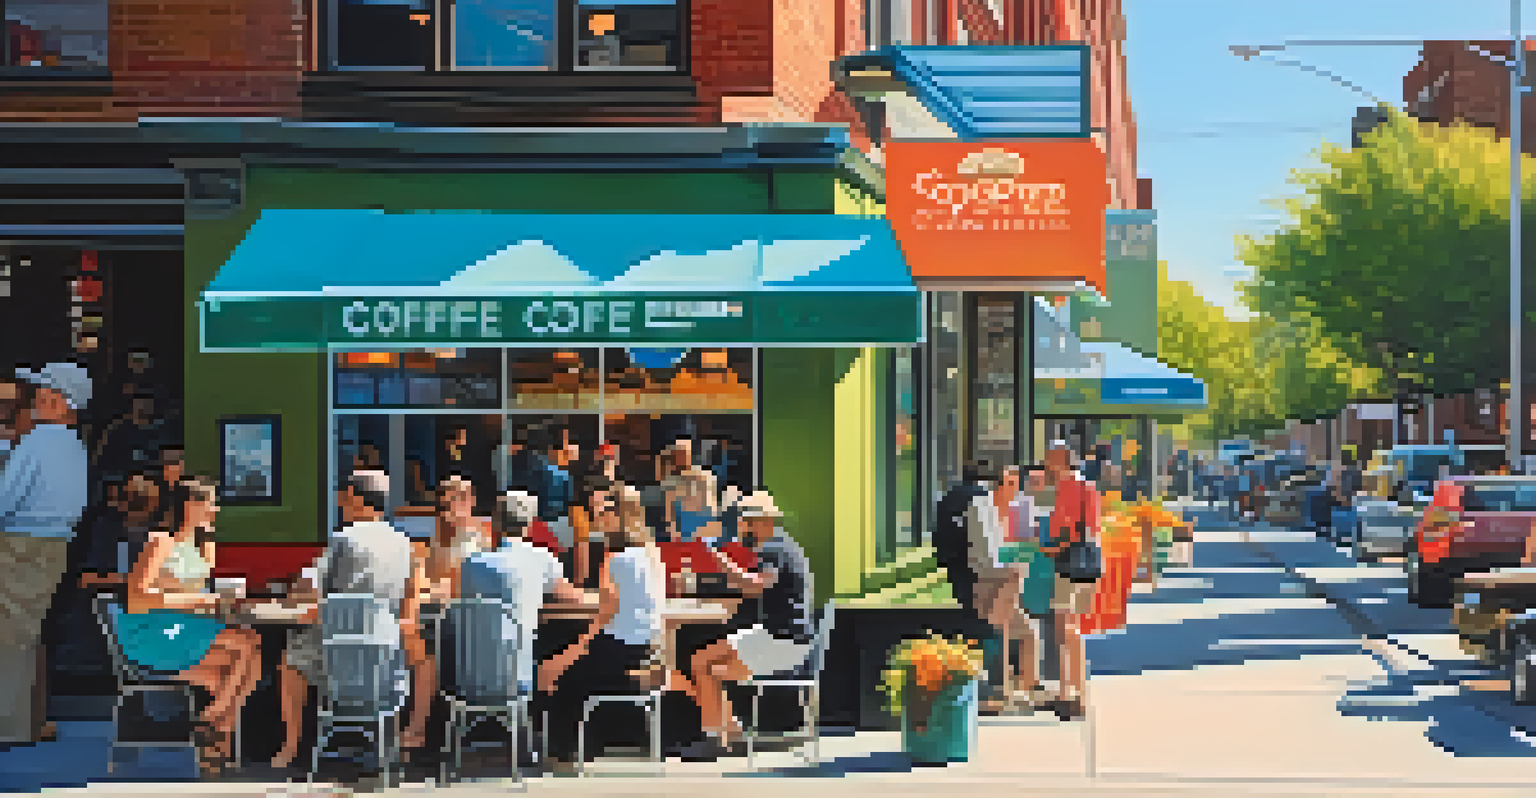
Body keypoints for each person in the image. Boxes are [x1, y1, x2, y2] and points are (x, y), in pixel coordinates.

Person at [118, 478, 262, 773]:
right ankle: (212, 724)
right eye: (209, 502)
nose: (215, 509)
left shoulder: (201, 546)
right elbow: (136, 598)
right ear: (189, 505)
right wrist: (199, 601)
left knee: (242, 664)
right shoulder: (161, 542)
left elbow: (202, 590)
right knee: (245, 644)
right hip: (151, 634)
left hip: (182, 629)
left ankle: (212, 742)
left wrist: (214, 600)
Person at [271, 470, 414, 769]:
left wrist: (294, 590)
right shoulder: (404, 543)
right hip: (385, 663)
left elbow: (314, 591)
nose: (340, 502)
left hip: (341, 657)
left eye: (344, 496)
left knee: (290, 660)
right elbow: (409, 597)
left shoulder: (342, 539)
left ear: (358, 499)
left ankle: (290, 747)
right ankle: (391, 746)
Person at [538, 483, 667, 773]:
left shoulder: (614, 559)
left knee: (554, 674)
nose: (599, 517)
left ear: (619, 514)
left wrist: (581, 644)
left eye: (604, 510)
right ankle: (579, 747)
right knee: (565, 668)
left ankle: (559, 755)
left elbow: (606, 613)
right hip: (648, 648)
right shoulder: (652, 554)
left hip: (617, 648)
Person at [683, 491, 815, 761]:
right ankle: (731, 735)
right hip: (788, 638)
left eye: (745, 520)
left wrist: (717, 558)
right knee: (703, 664)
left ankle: (720, 738)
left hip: (782, 641)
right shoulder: (783, 544)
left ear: (759, 521)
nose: (742, 525)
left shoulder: (773, 548)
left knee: (704, 667)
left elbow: (756, 586)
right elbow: (756, 585)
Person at [0, 363, 91, 746]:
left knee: (10, 637)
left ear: (61, 401)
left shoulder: (37, 442)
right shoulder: (74, 446)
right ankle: (31, 721)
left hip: (21, 543)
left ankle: (11, 727)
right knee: (29, 635)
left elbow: (6, 498)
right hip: (54, 546)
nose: (37, 394)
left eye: (45, 390)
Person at [459, 490, 595, 698]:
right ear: (530, 525)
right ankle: (548, 722)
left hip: (467, 679)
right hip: (518, 678)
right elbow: (576, 599)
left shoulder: (471, 564)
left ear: (495, 523)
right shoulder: (541, 559)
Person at [400, 474, 492, 751]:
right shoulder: (439, 535)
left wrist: (438, 586)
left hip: (470, 621)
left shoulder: (481, 534)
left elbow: (472, 578)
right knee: (412, 643)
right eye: (445, 504)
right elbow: (427, 576)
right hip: (441, 614)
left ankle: (416, 729)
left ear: (470, 501)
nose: (450, 509)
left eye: (456, 501)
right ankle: (407, 727)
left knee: (424, 654)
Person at [1038, 443, 1099, 721]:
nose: (1046, 463)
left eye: (1049, 458)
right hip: (1088, 564)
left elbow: (1067, 528)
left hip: (1068, 562)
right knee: (1075, 628)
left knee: (1064, 628)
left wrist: (1050, 548)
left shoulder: (1067, 486)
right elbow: (1092, 528)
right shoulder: (1087, 485)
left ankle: (1067, 694)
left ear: (1060, 460)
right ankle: (1079, 693)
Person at [666, 464, 721, 544]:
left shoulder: (708, 513)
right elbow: (671, 532)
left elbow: (713, 536)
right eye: (688, 484)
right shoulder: (676, 508)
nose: (692, 490)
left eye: (699, 487)